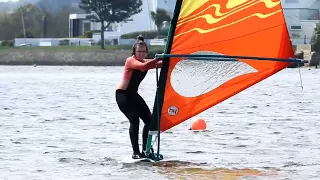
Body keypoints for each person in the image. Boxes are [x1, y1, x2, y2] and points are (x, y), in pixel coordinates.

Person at [115, 35, 163, 159]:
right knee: (134, 120)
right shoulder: (130, 61)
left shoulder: (145, 61)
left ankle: (146, 149)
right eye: (138, 52)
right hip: (123, 95)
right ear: (134, 52)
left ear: (146, 52)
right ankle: (136, 153)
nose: (141, 54)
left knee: (150, 120)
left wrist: (175, 59)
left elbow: (161, 64)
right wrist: (159, 58)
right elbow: (144, 67)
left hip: (134, 96)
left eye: (143, 52)